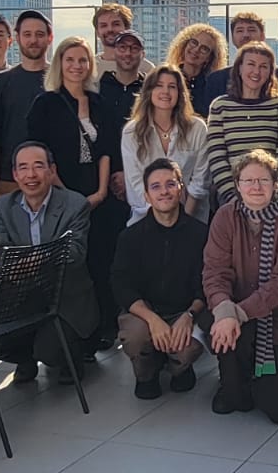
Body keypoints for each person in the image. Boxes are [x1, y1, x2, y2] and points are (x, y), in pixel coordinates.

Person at [27, 36, 123, 355]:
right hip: (60, 190)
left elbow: (107, 149)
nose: (76, 66)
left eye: (82, 60)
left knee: (102, 259)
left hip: (98, 190)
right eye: (70, 60)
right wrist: (66, 194)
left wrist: (100, 192)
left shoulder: (99, 103)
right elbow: (40, 152)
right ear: (59, 63)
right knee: (70, 263)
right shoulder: (46, 104)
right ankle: (71, 336)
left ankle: (103, 328)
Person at [201, 150, 278, 423]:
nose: (256, 187)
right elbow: (215, 271)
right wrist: (225, 310)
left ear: (275, 184)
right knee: (234, 399)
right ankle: (232, 383)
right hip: (232, 314)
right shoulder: (225, 216)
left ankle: (255, 380)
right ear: (237, 185)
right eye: (248, 180)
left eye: (263, 180)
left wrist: (239, 312)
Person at [0, 142, 98, 384]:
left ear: (51, 171)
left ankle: (71, 356)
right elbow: (0, 258)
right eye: (23, 168)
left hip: (66, 298)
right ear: (15, 174)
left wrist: (29, 261)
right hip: (23, 297)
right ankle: (24, 358)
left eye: (38, 166)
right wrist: (40, 259)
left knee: (50, 352)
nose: (31, 175)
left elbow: (74, 253)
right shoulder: (4, 206)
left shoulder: (75, 204)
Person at [110, 159, 210, 399]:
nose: (164, 191)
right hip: (144, 312)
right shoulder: (130, 237)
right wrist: (152, 319)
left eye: (170, 184)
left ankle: (179, 367)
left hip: (185, 312)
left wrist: (189, 315)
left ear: (181, 189)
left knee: (187, 346)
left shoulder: (201, 233)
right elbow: (121, 285)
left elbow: (207, 283)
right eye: (155, 186)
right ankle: (146, 373)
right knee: (136, 337)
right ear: (146, 195)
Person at [205, 42, 278, 202]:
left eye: (263, 66)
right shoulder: (220, 106)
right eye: (251, 64)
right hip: (231, 199)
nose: (256, 71)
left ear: (270, 72)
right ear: (239, 68)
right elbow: (217, 156)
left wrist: (272, 197)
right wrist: (234, 199)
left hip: (271, 198)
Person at [121, 64, 210, 223]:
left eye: (172, 87)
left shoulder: (197, 128)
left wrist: (182, 220)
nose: (166, 92)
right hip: (146, 219)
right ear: (149, 91)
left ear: (180, 93)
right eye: (159, 85)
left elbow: (200, 181)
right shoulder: (131, 132)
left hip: (191, 217)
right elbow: (135, 184)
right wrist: (163, 221)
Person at [0, 10, 54, 196]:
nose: (33, 40)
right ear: (17, 38)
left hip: (55, 178)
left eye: (39, 34)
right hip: (10, 179)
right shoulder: (1, 82)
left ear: (50, 38)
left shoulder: (61, 80)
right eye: (27, 34)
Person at [202, 11, 278, 106]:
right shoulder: (216, 80)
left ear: (262, 36)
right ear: (233, 38)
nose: (246, 35)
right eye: (240, 31)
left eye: (251, 30)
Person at [99, 29, 147, 208]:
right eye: (123, 47)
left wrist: (129, 175)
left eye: (134, 48)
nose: (128, 53)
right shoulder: (99, 87)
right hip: (104, 177)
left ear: (142, 54)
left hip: (140, 175)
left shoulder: (149, 90)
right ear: (114, 52)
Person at [166, 23, 229, 118]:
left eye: (204, 49)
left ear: (209, 58)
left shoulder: (213, 86)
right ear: (185, 44)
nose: (196, 49)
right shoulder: (168, 77)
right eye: (194, 42)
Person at [92, 2, 156, 77]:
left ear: (127, 28)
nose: (110, 29)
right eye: (104, 25)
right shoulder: (89, 67)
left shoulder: (146, 68)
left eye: (116, 24)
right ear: (97, 32)